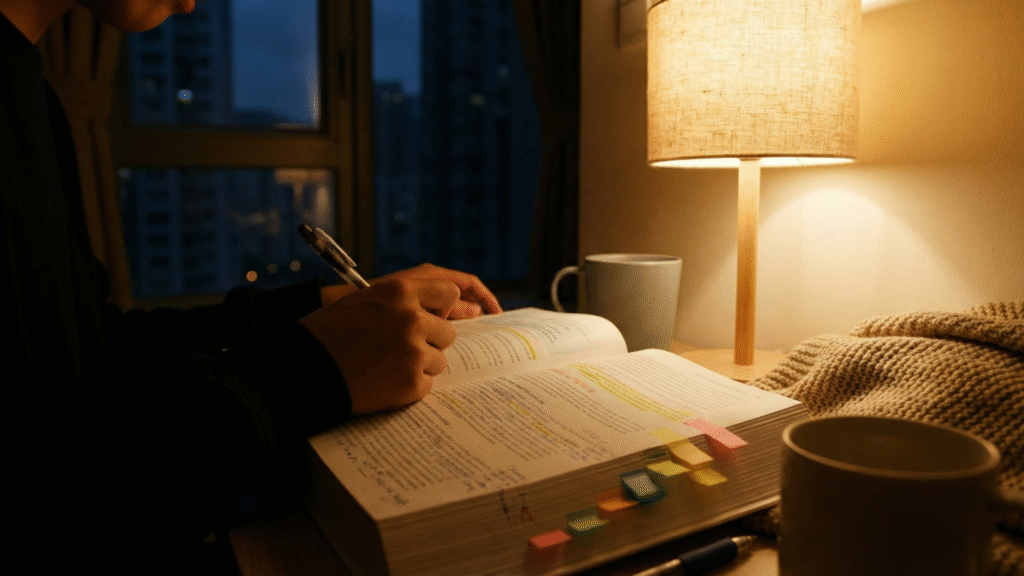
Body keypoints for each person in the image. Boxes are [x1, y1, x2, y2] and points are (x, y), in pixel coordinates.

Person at [0, 0, 502, 573]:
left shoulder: (35, 96)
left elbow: (95, 349)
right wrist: (310, 368)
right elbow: (43, 508)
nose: (192, 3)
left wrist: (315, 309)